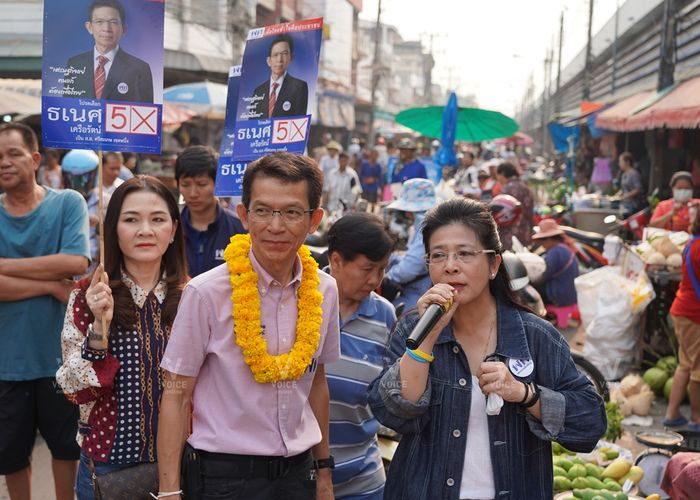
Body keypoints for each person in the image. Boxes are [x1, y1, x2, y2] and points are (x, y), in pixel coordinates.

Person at [367, 198, 606, 499]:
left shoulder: (536, 337)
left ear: (493, 264)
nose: (450, 266)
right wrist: (428, 338)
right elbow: (392, 412)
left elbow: (590, 423)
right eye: (438, 256)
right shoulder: (413, 328)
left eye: (465, 254)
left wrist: (525, 394)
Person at [157, 152, 341, 500]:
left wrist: (323, 475)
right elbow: (176, 393)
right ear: (243, 215)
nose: (275, 226)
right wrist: (168, 493)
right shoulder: (206, 292)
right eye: (262, 210)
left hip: (297, 476)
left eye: (291, 212)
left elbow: (317, 382)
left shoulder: (325, 291)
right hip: (225, 478)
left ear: (314, 219)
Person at [56, 176, 187, 499]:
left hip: (184, 461)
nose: (145, 230)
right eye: (131, 220)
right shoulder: (87, 294)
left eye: (157, 219)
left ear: (173, 231)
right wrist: (100, 329)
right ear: (113, 229)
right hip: (107, 466)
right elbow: (73, 389)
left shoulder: (192, 296)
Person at [0, 122, 90, 500]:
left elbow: (75, 260)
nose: (4, 162)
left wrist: (5, 265)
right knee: (11, 455)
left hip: (61, 358)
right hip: (7, 361)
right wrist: (51, 285)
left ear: (35, 159)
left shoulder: (68, 202)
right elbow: (61, 272)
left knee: (66, 448)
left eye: (14, 153)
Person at [324, 213, 397, 499]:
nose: (375, 279)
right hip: (299, 476)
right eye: (367, 268)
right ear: (337, 261)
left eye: (382, 270)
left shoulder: (384, 315)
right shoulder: (302, 302)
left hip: (362, 477)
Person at [175, 145, 246, 277]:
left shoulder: (240, 230)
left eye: (202, 184)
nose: (193, 193)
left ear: (218, 183)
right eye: (185, 185)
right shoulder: (170, 230)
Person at [65, 0, 154, 102]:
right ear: (89, 27)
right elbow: (67, 106)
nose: (106, 29)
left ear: (123, 29)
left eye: (113, 22)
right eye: (99, 22)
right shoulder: (75, 64)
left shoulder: (140, 68)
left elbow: (147, 111)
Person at [663, 213, 700, 429]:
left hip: (683, 309)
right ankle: (697, 418)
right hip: (694, 313)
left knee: (685, 364)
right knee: (697, 369)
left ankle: (672, 414)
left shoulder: (692, 242)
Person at [382, 178, 437, 311]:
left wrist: (387, 278)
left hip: (419, 294)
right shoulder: (426, 225)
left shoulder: (426, 227)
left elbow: (409, 268)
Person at [250, 34, 309, 119]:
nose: (279, 60)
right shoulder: (258, 91)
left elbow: (298, 123)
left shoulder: (299, 87)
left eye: (284, 54)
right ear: (268, 61)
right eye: (275, 55)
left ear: (291, 57)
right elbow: (251, 123)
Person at [86, 150, 124, 264]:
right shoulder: (90, 186)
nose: (116, 173)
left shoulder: (122, 188)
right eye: (112, 168)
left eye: (119, 169)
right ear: (102, 166)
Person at [531, 219, 579, 307]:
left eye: (542, 240)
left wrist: (532, 282)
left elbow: (546, 274)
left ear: (549, 239)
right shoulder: (564, 248)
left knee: (530, 291)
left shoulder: (555, 252)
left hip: (560, 296)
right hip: (570, 295)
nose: (542, 245)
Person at [496, 162, 533, 249]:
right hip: (526, 231)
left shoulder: (506, 189)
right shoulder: (525, 186)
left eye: (498, 175)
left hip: (510, 234)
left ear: (502, 174)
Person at [616, 151, 645, 216]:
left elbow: (638, 189)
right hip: (624, 203)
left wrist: (627, 195)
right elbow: (624, 189)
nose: (619, 164)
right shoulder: (624, 174)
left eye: (621, 162)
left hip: (632, 204)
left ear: (627, 162)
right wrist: (619, 194)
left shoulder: (634, 173)